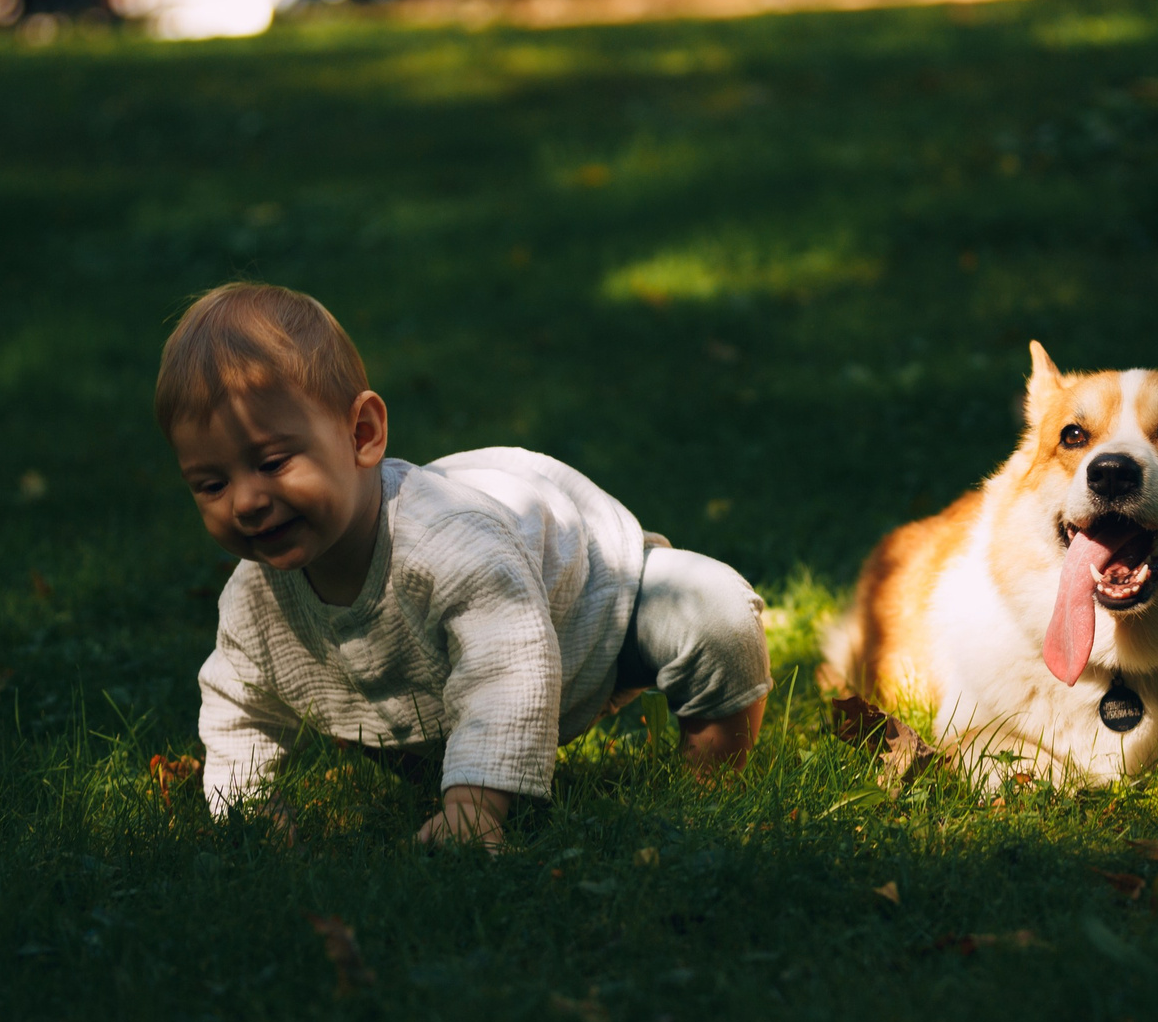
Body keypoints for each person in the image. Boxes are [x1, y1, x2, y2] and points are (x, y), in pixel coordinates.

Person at [160, 283, 770, 848]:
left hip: (588, 615)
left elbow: (509, 660)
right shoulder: (255, 598)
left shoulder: (446, 542)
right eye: (211, 484)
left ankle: (710, 792)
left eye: (271, 464)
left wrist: (474, 809)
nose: (245, 502)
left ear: (363, 433)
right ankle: (459, 758)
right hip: (427, 697)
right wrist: (245, 808)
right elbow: (239, 703)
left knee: (714, 612)